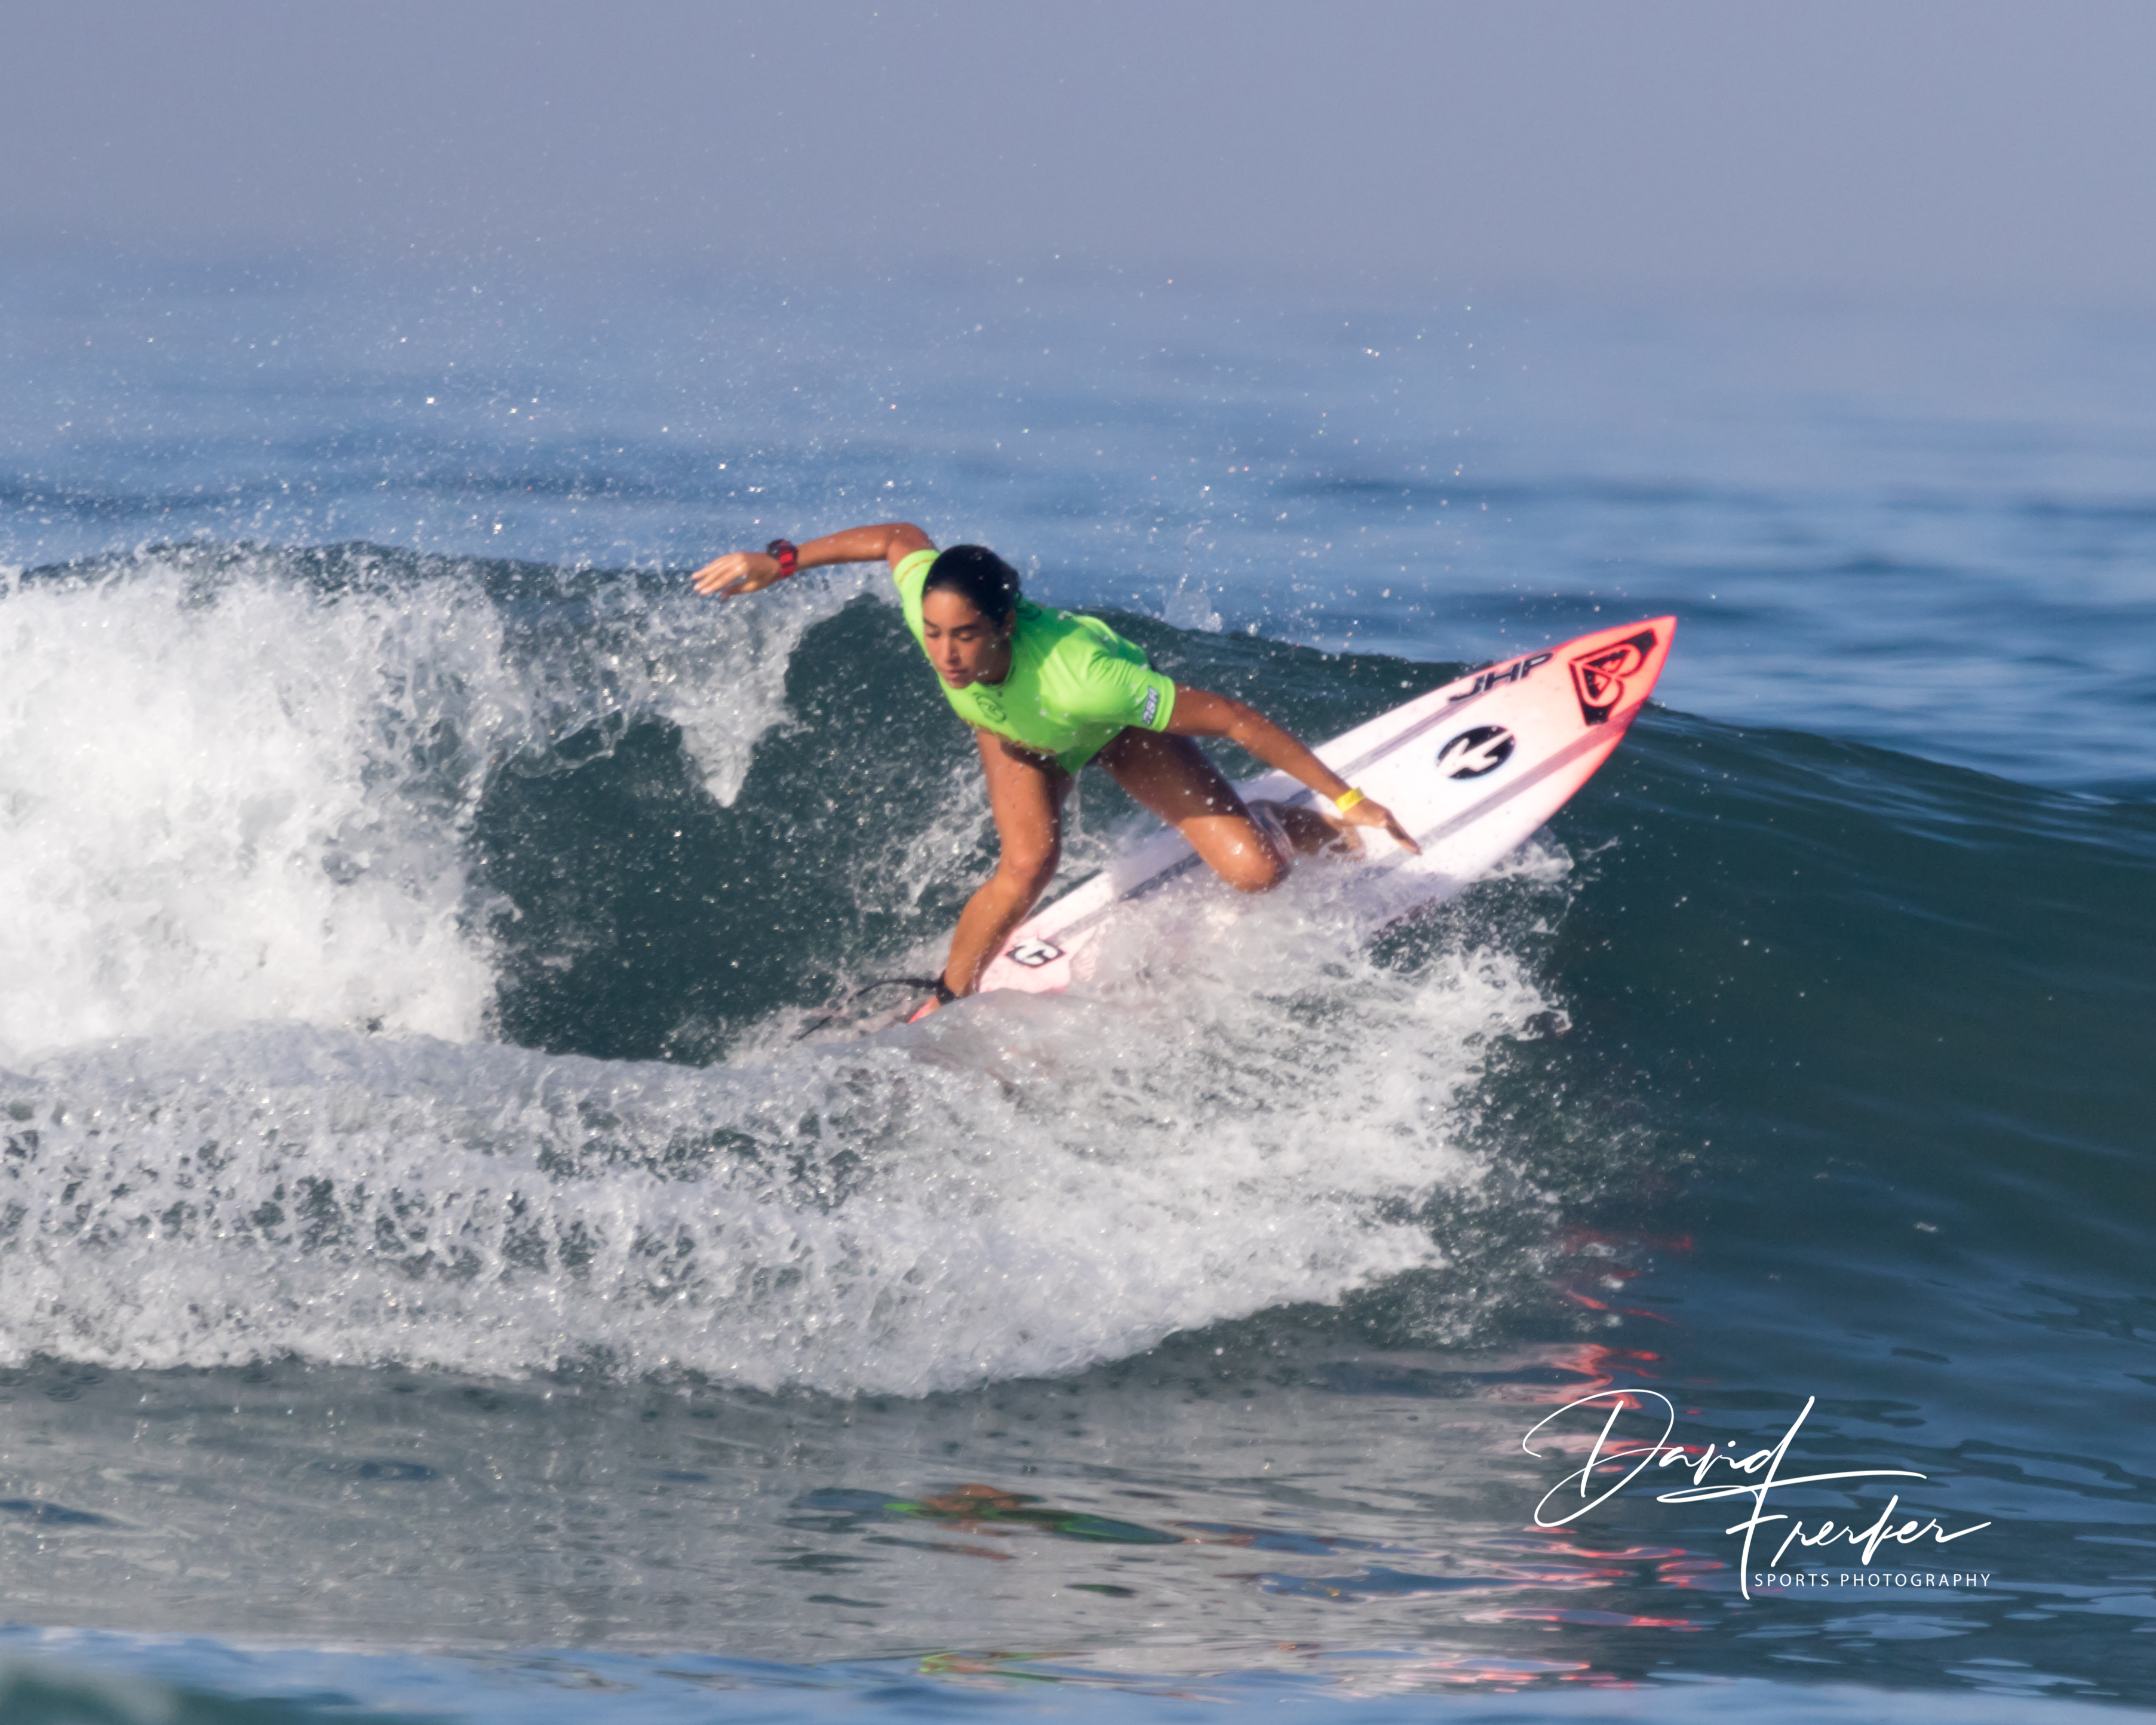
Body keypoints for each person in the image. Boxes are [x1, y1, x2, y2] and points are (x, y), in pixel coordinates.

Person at [692, 523, 1418, 1015]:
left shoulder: (1089, 678)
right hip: (1018, 735)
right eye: (936, 633)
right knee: (1024, 867)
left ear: (1004, 625)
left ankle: (1282, 819)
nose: (945, 654)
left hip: (1110, 728)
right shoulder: (930, 610)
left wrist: (1348, 794)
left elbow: (1232, 717)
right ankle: (948, 997)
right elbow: (897, 538)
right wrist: (781, 562)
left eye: (965, 636)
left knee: (1257, 872)